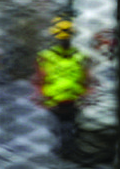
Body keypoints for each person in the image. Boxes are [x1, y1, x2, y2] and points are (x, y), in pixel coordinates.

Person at [33, 16, 93, 160]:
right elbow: (39, 78)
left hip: (69, 99)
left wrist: (87, 94)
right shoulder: (47, 57)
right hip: (58, 99)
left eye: (66, 37)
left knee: (67, 128)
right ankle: (65, 150)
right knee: (62, 128)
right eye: (63, 38)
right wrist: (40, 94)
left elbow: (87, 79)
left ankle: (66, 151)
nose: (65, 40)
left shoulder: (79, 56)